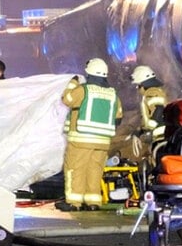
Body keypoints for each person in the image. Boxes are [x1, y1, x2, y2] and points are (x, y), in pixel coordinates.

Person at [55, 58, 122, 211]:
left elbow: (67, 99)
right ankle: (93, 202)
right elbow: (118, 118)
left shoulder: (83, 90)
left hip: (81, 139)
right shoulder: (113, 94)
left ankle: (74, 202)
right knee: (95, 170)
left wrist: (72, 83)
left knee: (75, 168)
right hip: (103, 142)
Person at [130, 64, 167, 145]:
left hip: (160, 135)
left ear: (143, 84)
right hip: (158, 135)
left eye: (138, 85)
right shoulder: (153, 92)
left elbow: (159, 109)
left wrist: (149, 129)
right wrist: (139, 131)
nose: (137, 88)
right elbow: (151, 116)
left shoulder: (152, 92)